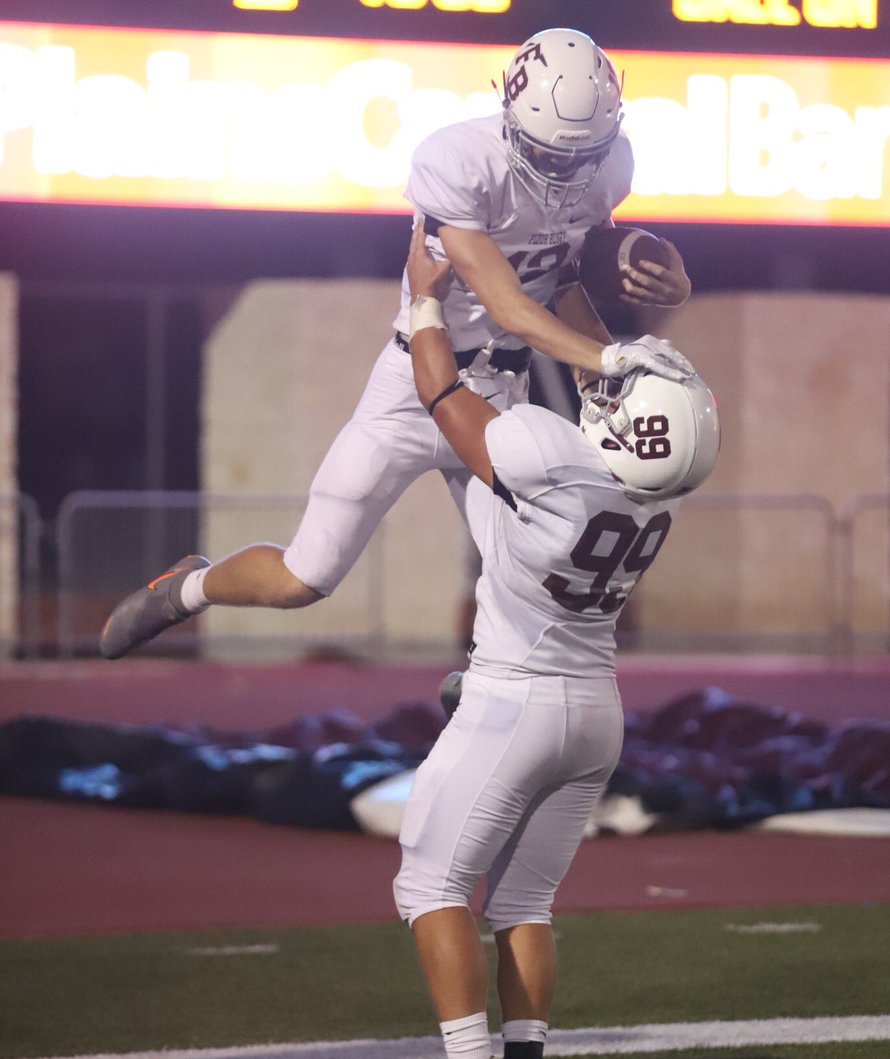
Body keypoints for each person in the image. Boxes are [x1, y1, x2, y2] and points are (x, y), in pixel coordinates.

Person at [98, 28, 694, 661]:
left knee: (533, 569)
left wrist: (643, 311)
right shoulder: (457, 159)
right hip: (415, 385)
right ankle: (186, 589)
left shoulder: (611, 164)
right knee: (307, 577)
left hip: (502, 390)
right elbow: (507, 305)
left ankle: (489, 678)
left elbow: (565, 272)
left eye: (582, 157)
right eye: (549, 156)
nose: (565, 172)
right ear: (511, 118)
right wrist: (608, 357)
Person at [383, 221, 719, 1059]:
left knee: (430, 886)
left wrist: (422, 302)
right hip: (594, 710)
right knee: (523, 904)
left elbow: (444, 394)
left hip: (514, 699)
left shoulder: (555, 459)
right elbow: (615, 405)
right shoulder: (656, 487)